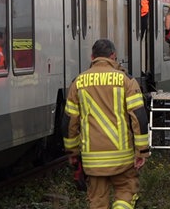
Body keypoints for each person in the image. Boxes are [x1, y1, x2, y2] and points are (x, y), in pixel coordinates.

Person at [62, 39, 150, 209]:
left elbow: (68, 123)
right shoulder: (126, 81)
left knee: (97, 202)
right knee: (126, 192)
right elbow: (139, 117)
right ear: (113, 56)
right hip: (122, 157)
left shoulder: (78, 82)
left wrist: (72, 152)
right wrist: (142, 151)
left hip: (92, 160)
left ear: (92, 56)